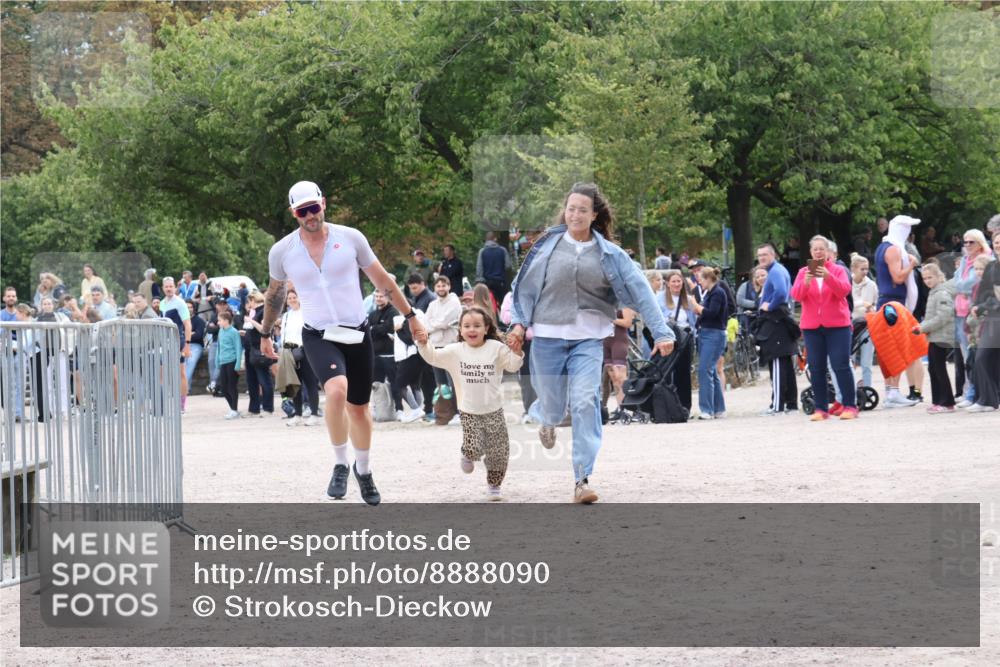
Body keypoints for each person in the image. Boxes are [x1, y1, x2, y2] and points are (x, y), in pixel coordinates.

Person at [260, 180, 427, 505]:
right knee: (336, 390)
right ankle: (340, 463)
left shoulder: (350, 238)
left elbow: (382, 279)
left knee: (360, 408)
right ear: (294, 213)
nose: (310, 215)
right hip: (319, 333)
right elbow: (276, 294)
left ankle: (362, 470)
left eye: (314, 207)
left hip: (355, 332)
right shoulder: (282, 251)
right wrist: (265, 333)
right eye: (302, 211)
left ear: (323, 203)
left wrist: (411, 316)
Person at [507, 182, 674, 503]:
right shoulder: (547, 246)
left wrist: (662, 331)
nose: (575, 214)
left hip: (587, 339)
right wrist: (518, 324)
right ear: (565, 211)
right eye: (571, 208)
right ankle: (546, 416)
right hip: (547, 338)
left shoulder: (609, 253)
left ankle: (582, 479)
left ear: (594, 215)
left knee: (585, 402)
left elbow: (640, 289)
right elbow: (523, 288)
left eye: (583, 210)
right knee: (554, 406)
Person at [414, 306, 523, 500]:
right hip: (468, 411)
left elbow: (513, 366)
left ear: (486, 328)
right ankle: (467, 453)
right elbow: (433, 356)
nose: (472, 330)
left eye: (477, 326)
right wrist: (424, 343)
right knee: (475, 447)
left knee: (499, 450)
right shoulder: (455, 351)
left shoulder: (496, 348)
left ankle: (494, 486)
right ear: (461, 331)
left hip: (494, 410)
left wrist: (517, 352)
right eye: (467, 326)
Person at [791, 235, 858, 421]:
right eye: (815, 249)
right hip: (812, 326)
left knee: (840, 365)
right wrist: (805, 281)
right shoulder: (803, 271)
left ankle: (850, 406)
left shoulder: (837, 270)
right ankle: (820, 408)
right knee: (817, 367)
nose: (818, 252)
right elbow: (796, 296)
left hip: (838, 325)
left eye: (822, 249)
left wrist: (827, 277)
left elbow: (844, 291)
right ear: (810, 252)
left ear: (828, 252)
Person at [873, 215, 923, 407]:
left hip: (886, 301)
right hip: (894, 302)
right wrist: (911, 264)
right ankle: (893, 392)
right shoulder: (894, 249)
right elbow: (899, 277)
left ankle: (890, 391)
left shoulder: (882, 247)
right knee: (896, 348)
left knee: (888, 348)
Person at [755, 243, 797, 415]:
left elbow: (780, 292)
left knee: (778, 361)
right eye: (759, 255)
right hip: (781, 319)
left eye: (765, 254)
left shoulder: (776, 271)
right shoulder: (779, 270)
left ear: (773, 255)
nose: (762, 258)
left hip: (776, 320)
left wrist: (769, 306)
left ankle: (777, 405)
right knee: (785, 363)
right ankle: (791, 403)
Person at [953, 229, 993, 408]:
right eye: (965, 242)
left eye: (971, 242)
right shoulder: (964, 260)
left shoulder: (987, 260)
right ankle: (971, 392)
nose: (967, 245)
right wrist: (961, 285)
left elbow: (969, 284)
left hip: (978, 313)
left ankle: (979, 393)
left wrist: (961, 285)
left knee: (978, 356)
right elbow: (957, 283)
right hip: (961, 311)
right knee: (967, 356)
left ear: (980, 242)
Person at [913, 262, 956, 413]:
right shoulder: (933, 292)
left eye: (930, 277)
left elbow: (944, 316)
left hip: (942, 336)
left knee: (939, 368)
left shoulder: (941, 293)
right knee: (933, 368)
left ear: (939, 276)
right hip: (934, 335)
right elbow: (932, 315)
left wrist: (924, 327)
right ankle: (938, 400)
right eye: (924, 278)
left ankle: (947, 402)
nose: (927, 281)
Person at [966, 229, 1000, 412]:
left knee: (987, 358)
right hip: (993, 317)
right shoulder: (992, 266)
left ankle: (988, 399)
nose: (998, 245)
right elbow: (984, 291)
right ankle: (987, 400)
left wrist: (983, 306)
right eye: (996, 242)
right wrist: (976, 306)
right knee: (985, 357)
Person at [279, 289, 320, 426]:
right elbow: (283, 335)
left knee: (310, 383)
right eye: (289, 298)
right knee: (294, 384)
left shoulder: (306, 314)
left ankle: (314, 413)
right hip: (289, 352)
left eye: (294, 297)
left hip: (305, 351)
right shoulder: (285, 316)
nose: (291, 300)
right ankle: (297, 414)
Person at [693, 267, 729, 420]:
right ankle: (718, 408)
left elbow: (712, 313)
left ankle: (706, 409)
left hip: (713, 334)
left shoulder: (717, 292)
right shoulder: (711, 292)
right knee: (711, 370)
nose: (699, 282)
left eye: (700, 278)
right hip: (707, 333)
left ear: (708, 278)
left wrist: (696, 305)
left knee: (704, 370)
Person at [499, 290, 537, 423]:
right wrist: (523, 316)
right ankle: (528, 410)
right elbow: (504, 316)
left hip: (540, 341)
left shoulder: (538, 293)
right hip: (522, 342)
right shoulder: (510, 295)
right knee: (525, 378)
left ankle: (542, 410)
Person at [424, 276, 462, 403]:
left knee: (454, 379)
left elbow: (445, 322)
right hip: (435, 346)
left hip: (450, 345)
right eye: (438, 286)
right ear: (434, 288)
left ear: (449, 286)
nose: (441, 288)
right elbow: (425, 324)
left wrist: (433, 324)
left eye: (443, 285)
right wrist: (436, 324)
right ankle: (446, 412)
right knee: (441, 383)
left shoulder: (454, 302)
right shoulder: (432, 304)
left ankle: (459, 411)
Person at [159, 277, 193, 412]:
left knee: (181, 373)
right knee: (161, 373)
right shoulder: (162, 303)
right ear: (163, 288)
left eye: (171, 286)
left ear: (175, 287)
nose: (168, 289)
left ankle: (182, 405)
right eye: (166, 286)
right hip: (164, 342)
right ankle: (162, 403)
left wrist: (187, 344)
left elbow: (187, 324)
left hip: (177, 341)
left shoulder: (180, 303)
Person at [242, 291, 274, 418]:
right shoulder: (254, 312)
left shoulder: (263, 311)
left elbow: (264, 329)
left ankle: (268, 408)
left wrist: (251, 321)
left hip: (259, 348)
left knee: (264, 379)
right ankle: (253, 408)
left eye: (250, 301)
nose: (249, 304)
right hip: (250, 348)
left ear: (254, 300)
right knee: (251, 380)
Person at [850, 254, 878, 388]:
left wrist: (872, 308)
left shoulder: (871, 285)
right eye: (862, 269)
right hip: (850, 325)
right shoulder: (847, 283)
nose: (865, 272)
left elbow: (875, 303)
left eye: (867, 269)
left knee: (867, 362)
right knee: (850, 360)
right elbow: (846, 305)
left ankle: (867, 388)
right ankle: (852, 388)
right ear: (854, 269)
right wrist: (862, 303)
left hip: (867, 326)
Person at [602, 308, 636, 419]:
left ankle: (628, 407)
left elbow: (627, 323)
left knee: (620, 377)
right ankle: (621, 408)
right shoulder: (603, 300)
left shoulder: (623, 301)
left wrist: (611, 319)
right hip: (605, 341)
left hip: (619, 341)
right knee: (614, 379)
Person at [214, 310, 244, 419]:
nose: (218, 322)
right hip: (223, 362)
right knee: (224, 388)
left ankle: (234, 410)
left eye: (220, 320)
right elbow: (219, 347)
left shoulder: (234, 332)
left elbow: (238, 348)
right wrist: (217, 361)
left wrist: (237, 364)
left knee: (232, 387)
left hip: (232, 362)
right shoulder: (220, 331)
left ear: (226, 321)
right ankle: (233, 409)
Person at [476, 231, 512, 304]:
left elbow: (479, 268)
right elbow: (508, 266)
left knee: (489, 303)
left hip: (487, 282)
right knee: (503, 303)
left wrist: (480, 280)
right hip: (500, 281)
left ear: (486, 239)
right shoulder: (502, 250)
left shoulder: (482, 251)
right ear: (495, 239)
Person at [183, 300, 206, 393]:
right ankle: (185, 388)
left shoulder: (199, 321)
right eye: (187, 307)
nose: (189, 309)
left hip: (196, 346)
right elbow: (177, 335)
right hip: (183, 345)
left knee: (191, 361)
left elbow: (198, 336)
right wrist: (190, 333)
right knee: (182, 364)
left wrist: (185, 334)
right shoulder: (181, 321)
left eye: (191, 307)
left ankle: (184, 388)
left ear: (194, 308)